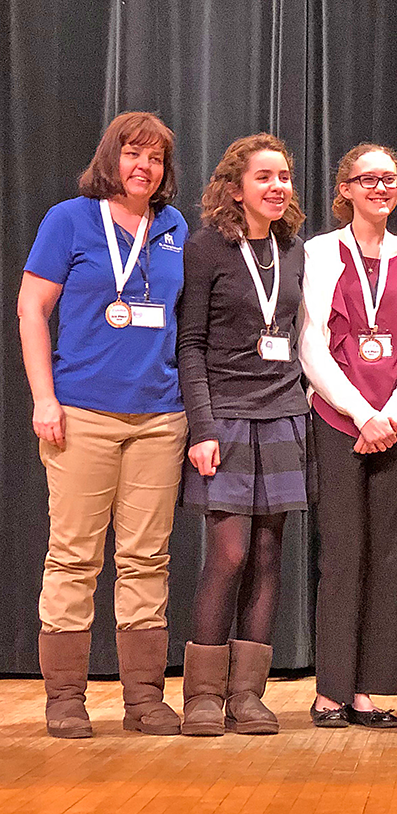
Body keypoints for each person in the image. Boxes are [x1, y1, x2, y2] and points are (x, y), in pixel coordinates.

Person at [18, 111, 188, 739]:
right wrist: (44, 398)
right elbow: (32, 308)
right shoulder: (69, 219)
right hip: (80, 413)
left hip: (160, 418)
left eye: (156, 159)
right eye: (132, 154)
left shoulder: (172, 226)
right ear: (110, 158)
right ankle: (65, 699)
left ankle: (144, 700)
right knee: (74, 556)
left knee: (147, 559)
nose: (144, 167)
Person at [177, 133, 311, 736]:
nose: (277, 186)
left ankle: (248, 694)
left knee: (267, 554)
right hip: (224, 417)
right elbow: (190, 346)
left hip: (282, 413)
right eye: (264, 177)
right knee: (228, 553)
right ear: (235, 189)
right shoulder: (206, 249)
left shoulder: (294, 248)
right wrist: (202, 427)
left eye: (283, 176)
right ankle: (203, 693)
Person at [300, 143, 397, 728]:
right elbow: (311, 343)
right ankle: (331, 690)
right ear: (346, 189)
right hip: (340, 422)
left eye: (389, 178)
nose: (380, 187)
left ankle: (369, 693)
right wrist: (362, 414)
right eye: (368, 179)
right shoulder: (318, 252)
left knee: (388, 555)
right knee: (343, 554)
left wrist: (395, 411)